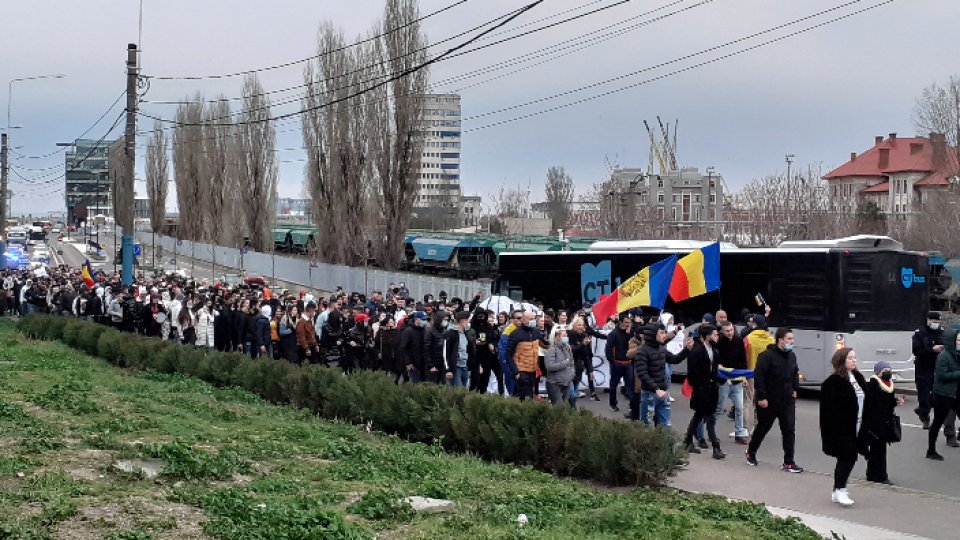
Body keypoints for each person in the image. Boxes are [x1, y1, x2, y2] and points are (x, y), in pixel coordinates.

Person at [746, 327, 803, 473]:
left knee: (789, 429)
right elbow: (759, 377)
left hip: (787, 400)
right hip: (769, 400)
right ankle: (751, 452)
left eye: (792, 339)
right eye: (789, 339)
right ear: (780, 340)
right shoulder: (767, 356)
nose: (792, 342)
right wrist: (761, 397)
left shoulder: (792, 356)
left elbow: (795, 372)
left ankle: (789, 462)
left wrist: (795, 388)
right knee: (763, 427)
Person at [819, 348, 867, 506]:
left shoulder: (857, 377)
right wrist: (834, 430)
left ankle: (837, 490)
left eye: (855, 357)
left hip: (857, 425)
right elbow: (828, 411)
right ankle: (840, 489)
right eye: (850, 358)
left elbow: (868, 397)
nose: (854, 360)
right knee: (848, 457)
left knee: (847, 458)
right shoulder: (833, 382)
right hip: (842, 428)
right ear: (841, 361)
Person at [635, 322, 691, 427]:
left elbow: (674, 359)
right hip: (649, 394)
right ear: (653, 335)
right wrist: (656, 389)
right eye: (661, 333)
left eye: (665, 332)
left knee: (665, 426)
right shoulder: (642, 351)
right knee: (646, 427)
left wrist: (687, 349)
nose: (665, 335)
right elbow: (642, 373)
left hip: (663, 393)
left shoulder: (661, 348)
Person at [913, 312, 956, 445]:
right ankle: (924, 413)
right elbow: (916, 351)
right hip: (923, 369)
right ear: (928, 320)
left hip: (939, 370)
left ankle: (949, 434)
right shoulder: (920, 333)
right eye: (933, 321)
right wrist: (932, 350)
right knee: (924, 396)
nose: (935, 324)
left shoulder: (943, 333)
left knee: (943, 401)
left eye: (937, 321)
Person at [683, 324, 725, 459]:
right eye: (714, 334)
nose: (717, 337)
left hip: (712, 389)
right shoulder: (697, 351)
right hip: (702, 390)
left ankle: (687, 442)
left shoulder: (715, 351)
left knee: (699, 416)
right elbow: (692, 373)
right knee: (708, 418)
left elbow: (715, 370)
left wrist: (719, 380)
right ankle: (716, 448)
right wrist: (699, 386)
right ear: (707, 337)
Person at [859, 360, 903, 484]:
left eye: (889, 370)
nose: (888, 372)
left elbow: (888, 403)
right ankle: (881, 476)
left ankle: (872, 474)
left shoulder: (889, 384)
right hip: (875, 423)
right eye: (885, 371)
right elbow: (869, 405)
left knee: (877, 450)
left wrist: (896, 402)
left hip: (885, 422)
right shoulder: (872, 385)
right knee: (879, 450)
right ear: (878, 372)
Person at [926, 327, 960, 461]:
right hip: (943, 395)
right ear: (952, 341)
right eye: (958, 340)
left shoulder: (957, 355)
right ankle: (931, 450)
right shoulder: (943, 356)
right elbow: (941, 375)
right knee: (937, 422)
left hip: (956, 394)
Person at [716, 320, 750, 444]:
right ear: (722, 331)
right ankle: (712, 432)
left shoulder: (738, 340)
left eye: (731, 330)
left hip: (737, 380)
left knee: (739, 407)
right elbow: (716, 359)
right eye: (727, 331)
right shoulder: (719, 342)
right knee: (719, 408)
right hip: (723, 380)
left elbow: (743, 359)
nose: (730, 332)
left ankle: (739, 434)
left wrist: (744, 376)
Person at [743, 314, 775, 429]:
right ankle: (757, 428)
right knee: (760, 401)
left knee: (747, 402)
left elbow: (744, 358)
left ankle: (743, 428)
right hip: (766, 376)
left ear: (754, 324)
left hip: (750, 373)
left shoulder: (748, 339)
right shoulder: (771, 340)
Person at [506, 311, 543, 401]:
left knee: (529, 396)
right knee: (526, 396)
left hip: (533, 370)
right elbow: (508, 354)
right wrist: (516, 372)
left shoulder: (536, 332)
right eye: (531, 319)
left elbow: (545, 345)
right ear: (523, 320)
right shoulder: (515, 334)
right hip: (521, 370)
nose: (533, 321)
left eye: (534, 318)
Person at [605, 313, 634, 414]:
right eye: (626, 322)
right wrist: (612, 362)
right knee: (613, 385)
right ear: (621, 322)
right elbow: (608, 349)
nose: (628, 324)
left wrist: (630, 334)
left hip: (628, 363)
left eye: (629, 322)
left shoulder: (631, 333)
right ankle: (613, 404)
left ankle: (632, 406)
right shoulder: (613, 334)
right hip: (617, 363)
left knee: (630, 385)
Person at [543, 326, 574, 406]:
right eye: (564, 336)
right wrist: (565, 363)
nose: (566, 337)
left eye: (566, 335)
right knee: (559, 407)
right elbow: (549, 366)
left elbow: (571, 364)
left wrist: (571, 375)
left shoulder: (567, 349)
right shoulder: (551, 350)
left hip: (566, 383)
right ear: (557, 337)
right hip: (554, 383)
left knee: (565, 407)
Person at [444, 311, 475, 388]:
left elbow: (468, 350)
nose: (469, 322)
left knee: (464, 391)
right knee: (458, 391)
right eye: (468, 320)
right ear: (462, 321)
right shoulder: (450, 333)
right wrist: (448, 370)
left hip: (465, 367)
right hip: (455, 367)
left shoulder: (465, 333)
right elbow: (445, 352)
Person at [424, 311, 451, 384]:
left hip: (443, 364)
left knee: (444, 385)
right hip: (433, 363)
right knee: (433, 385)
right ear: (439, 319)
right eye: (444, 319)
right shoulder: (430, 332)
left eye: (447, 320)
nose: (446, 321)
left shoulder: (445, 331)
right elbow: (426, 350)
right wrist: (431, 365)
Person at [400, 311, 427, 382]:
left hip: (424, 363)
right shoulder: (408, 331)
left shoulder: (424, 330)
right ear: (416, 319)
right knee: (415, 384)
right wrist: (408, 362)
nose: (425, 321)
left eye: (425, 319)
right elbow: (403, 348)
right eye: (423, 319)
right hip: (413, 364)